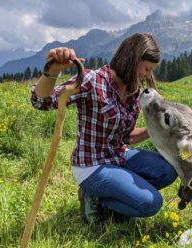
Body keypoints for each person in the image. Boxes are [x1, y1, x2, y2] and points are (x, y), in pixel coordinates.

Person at [30, 32, 177, 224]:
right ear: (132, 60)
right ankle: (96, 198)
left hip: (118, 156)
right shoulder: (92, 81)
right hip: (92, 166)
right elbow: (41, 102)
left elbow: (127, 137)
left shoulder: (134, 92)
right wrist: (52, 72)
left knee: (167, 171)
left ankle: (118, 190)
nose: (148, 75)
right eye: (147, 69)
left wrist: (155, 129)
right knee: (151, 203)